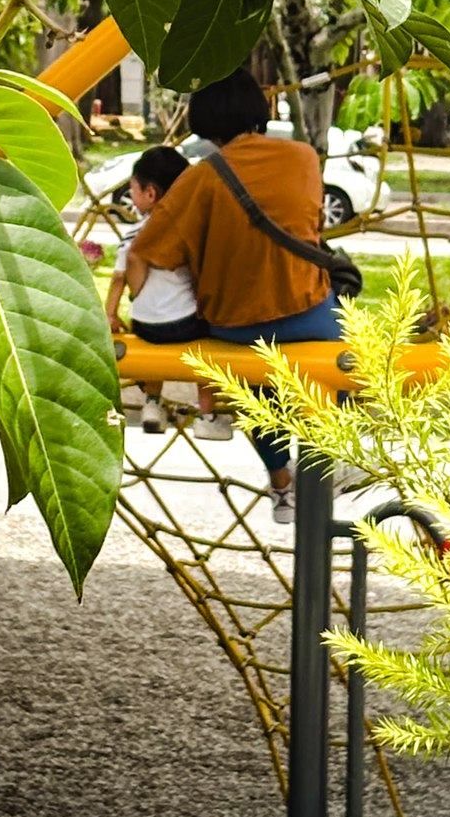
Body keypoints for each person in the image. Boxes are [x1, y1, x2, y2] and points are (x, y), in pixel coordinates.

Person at [126, 67, 342, 522]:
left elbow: (151, 249)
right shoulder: (303, 158)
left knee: (255, 389)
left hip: (235, 324)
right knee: (342, 356)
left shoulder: (200, 179)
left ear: (204, 119)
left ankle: (280, 482)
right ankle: (333, 449)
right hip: (308, 312)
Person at [104, 146, 223, 435]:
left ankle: (152, 404)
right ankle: (207, 417)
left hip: (147, 326)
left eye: (133, 190)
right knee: (210, 336)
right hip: (186, 325)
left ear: (150, 194)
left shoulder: (134, 234)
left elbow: (119, 279)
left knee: (147, 331)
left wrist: (110, 314)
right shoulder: (189, 231)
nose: (131, 196)